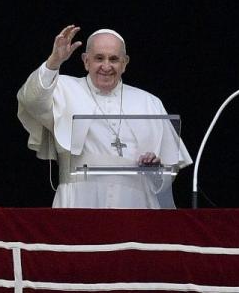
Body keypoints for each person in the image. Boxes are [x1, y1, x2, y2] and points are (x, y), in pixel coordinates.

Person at [17, 25, 193, 208]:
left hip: (136, 205)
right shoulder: (62, 88)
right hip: (78, 202)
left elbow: (169, 171)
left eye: (114, 59)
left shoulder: (150, 102)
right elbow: (31, 101)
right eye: (99, 58)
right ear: (86, 61)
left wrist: (156, 169)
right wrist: (54, 62)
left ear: (125, 63)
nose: (106, 66)